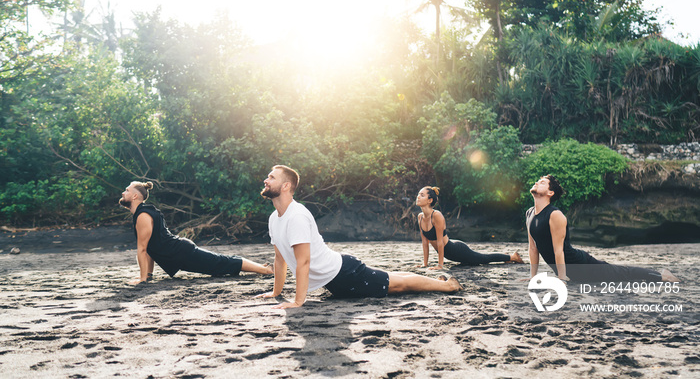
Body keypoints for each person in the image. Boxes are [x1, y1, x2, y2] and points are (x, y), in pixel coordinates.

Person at [256, 165, 462, 309]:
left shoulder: (296, 216)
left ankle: (447, 286)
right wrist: (276, 292)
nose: (266, 180)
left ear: (286, 186)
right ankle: (436, 281)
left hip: (344, 273)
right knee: (391, 278)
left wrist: (298, 302)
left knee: (398, 285)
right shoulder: (275, 218)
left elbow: (303, 262)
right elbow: (280, 259)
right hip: (336, 279)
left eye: (272, 177)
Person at [526, 175, 679, 283]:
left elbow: (558, 251)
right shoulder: (529, 214)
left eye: (542, 182)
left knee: (621, 273)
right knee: (619, 274)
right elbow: (533, 248)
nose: (537, 183)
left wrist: (561, 279)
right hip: (570, 273)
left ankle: (661, 275)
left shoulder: (555, 215)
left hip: (582, 265)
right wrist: (533, 277)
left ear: (550, 193)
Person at [119, 181, 272, 285]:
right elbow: (150, 249)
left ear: (135, 196)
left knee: (220, 264)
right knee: (220, 263)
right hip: (178, 253)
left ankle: (265, 270)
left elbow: (143, 249)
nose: (123, 192)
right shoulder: (143, 212)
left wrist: (142, 279)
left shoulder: (143, 215)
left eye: (126, 190)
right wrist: (148, 276)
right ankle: (261, 267)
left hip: (181, 252)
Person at [416, 186, 523, 269]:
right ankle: (505, 256)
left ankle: (512, 257)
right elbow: (425, 243)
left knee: (483, 259)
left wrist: (440, 265)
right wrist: (425, 264)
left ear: (430, 200)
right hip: (449, 255)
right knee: (479, 259)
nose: (418, 197)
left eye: (422, 195)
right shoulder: (420, 217)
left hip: (457, 250)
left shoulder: (436, 215)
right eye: (418, 194)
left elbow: (440, 242)